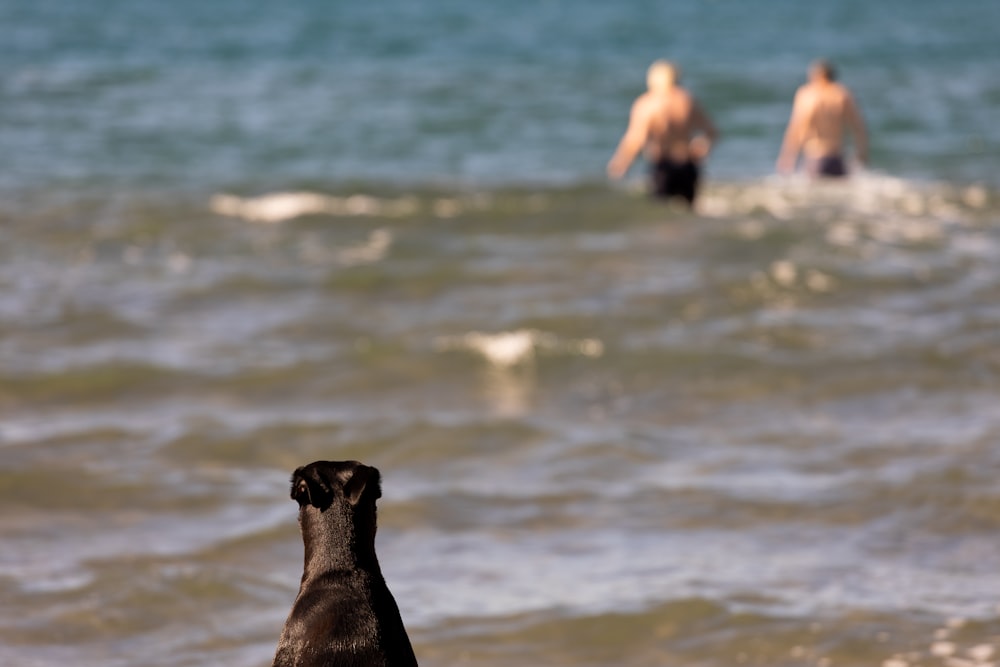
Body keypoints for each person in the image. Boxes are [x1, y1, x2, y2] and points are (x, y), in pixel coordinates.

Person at [607, 60, 718, 207]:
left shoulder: (647, 103)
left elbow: (636, 138)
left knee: (661, 213)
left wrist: (621, 164)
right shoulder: (687, 100)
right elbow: (712, 132)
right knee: (688, 213)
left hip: (663, 167)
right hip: (688, 165)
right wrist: (701, 149)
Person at [777, 59, 868, 178]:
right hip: (838, 158)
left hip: (816, 158)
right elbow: (858, 128)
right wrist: (861, 154)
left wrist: (788, 157)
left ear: (817, 75)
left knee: (814, 196)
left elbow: (797, 127)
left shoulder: (807, 94)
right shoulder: (842, 94)